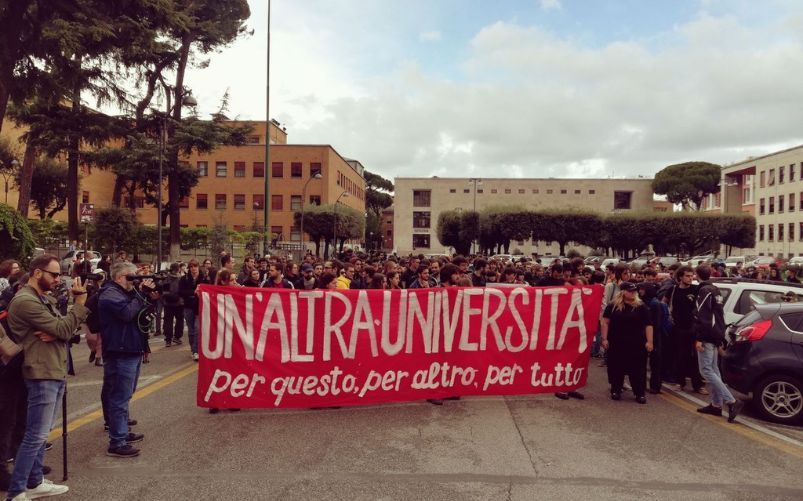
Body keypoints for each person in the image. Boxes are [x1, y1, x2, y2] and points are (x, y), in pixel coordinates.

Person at [5, 255, 89, 499]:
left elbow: (64, 329)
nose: (57, 279)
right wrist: (79, 303)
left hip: (53, 368)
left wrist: (59, 331)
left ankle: (34, 481)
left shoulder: (42, 298)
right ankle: (16, 491)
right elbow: (64, 328)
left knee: (42, 432)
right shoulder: (25, 301)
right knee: (35, 434)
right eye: (53, 274)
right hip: (41, 371)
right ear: (37, 273)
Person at [98, 262, 158, 458]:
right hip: (119, 352)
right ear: (119, 277)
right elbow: (126, 314)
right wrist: (141, 293)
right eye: (131, 277)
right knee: (119, 398)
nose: (135, 281)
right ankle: (117, 442)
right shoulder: (110, 294)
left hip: (131, 348)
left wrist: (149, 297)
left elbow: (139, 316)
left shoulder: (124, 293)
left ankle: (121, 432)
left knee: (125, 396)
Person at [694, 265, 744, 422]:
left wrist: (699, 338)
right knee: (714, 370)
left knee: (706, 370)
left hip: (707, 336)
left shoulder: (704, 291)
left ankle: (731, 401)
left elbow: (703, 316)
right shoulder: (715, 290)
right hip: (715, 334)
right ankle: (716, 405)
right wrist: (719, 336)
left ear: (697, 275)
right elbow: (718, 315)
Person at [601, 282, 654, 404]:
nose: (633, 293)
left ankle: (639, 393)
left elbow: (648, 325)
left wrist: (650, 341)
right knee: (616, 367)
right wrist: (604, 339)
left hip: (637, 342)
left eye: (634, 291)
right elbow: (605, 322)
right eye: (630, 291)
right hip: (617, 341)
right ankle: (616, 389)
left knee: (638, 369)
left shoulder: (641, 306)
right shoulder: (613, 306)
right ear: (623, 291)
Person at [665, 266, 707, 394]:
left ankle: (698, 385)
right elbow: (664, 303)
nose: (690, 278)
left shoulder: (696, 289)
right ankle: (680, 382)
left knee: (694, 357)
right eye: (687, 276)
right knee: (680, 356)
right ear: (680, 277)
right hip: (678, 328)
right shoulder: (672, 290)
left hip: (693, 328)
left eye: (691, 276)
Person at [179, 259, 208, 362]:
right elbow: (181, 292)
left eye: (195, 266)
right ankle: (193, 350)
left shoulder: (204, 277)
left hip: (200, 306)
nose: (193, 268)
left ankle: (196, 351)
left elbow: (209, 288)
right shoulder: (184, 278)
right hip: (188, 306)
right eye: (191, 267)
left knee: (197, 328)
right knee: (191, 330)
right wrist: (193, 292)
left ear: (198, 267)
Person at [161, 263, 184, 347]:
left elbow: (165, 291)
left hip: (168, 303)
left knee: (168, 321)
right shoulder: (181, 278)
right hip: (179, 303)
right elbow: (182, 291)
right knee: (179, 321)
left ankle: (168, 340)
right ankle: (177, 337)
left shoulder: (166, 278)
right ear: (178, 269)